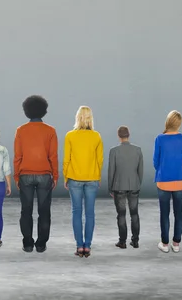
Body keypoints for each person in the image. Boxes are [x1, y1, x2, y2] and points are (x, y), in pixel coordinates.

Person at [13, 95, 59, 253]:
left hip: (25, 174)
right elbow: (53, 156)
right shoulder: (50, 131)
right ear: (44, 111)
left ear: (26, 111)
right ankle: (41, 244)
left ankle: (27, 243)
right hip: (45, 175)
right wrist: (55, 175)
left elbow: (17, 156)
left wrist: (16, 176)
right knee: (44, 211)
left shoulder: (20, 130)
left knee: (26, 210)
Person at [63, 106, 103, 258]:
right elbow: (100, 160)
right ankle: (88, 246)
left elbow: (67, 159)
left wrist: (66, 177)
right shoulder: (96, 136)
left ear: (77, 117)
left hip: (74, 178)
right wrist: (97, 176)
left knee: (76, 212)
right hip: (92, 178)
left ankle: (79, 246)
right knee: (90, 213)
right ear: (90, 118)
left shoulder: (70, 136)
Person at [153, 110, 182, 253]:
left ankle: (165, 243)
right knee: (179, 213)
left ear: (167, 122)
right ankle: (176, 243)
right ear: (179, 124)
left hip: (163, 181)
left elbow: (156, 161)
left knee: (164, 213)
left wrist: (163, 169)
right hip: (180, 180)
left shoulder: (160, 139)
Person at [108, 126, 144, 249]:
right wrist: (137, 183)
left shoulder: (114, 151)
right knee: (134, 214)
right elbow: (140, 171)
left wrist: (110, 188)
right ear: (129, 135)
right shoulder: (138, 150)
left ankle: (122, 241)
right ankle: (135, 241)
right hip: (134, 185)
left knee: (121, 214)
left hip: (119, 186)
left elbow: (111, 171)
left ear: (119, 136)